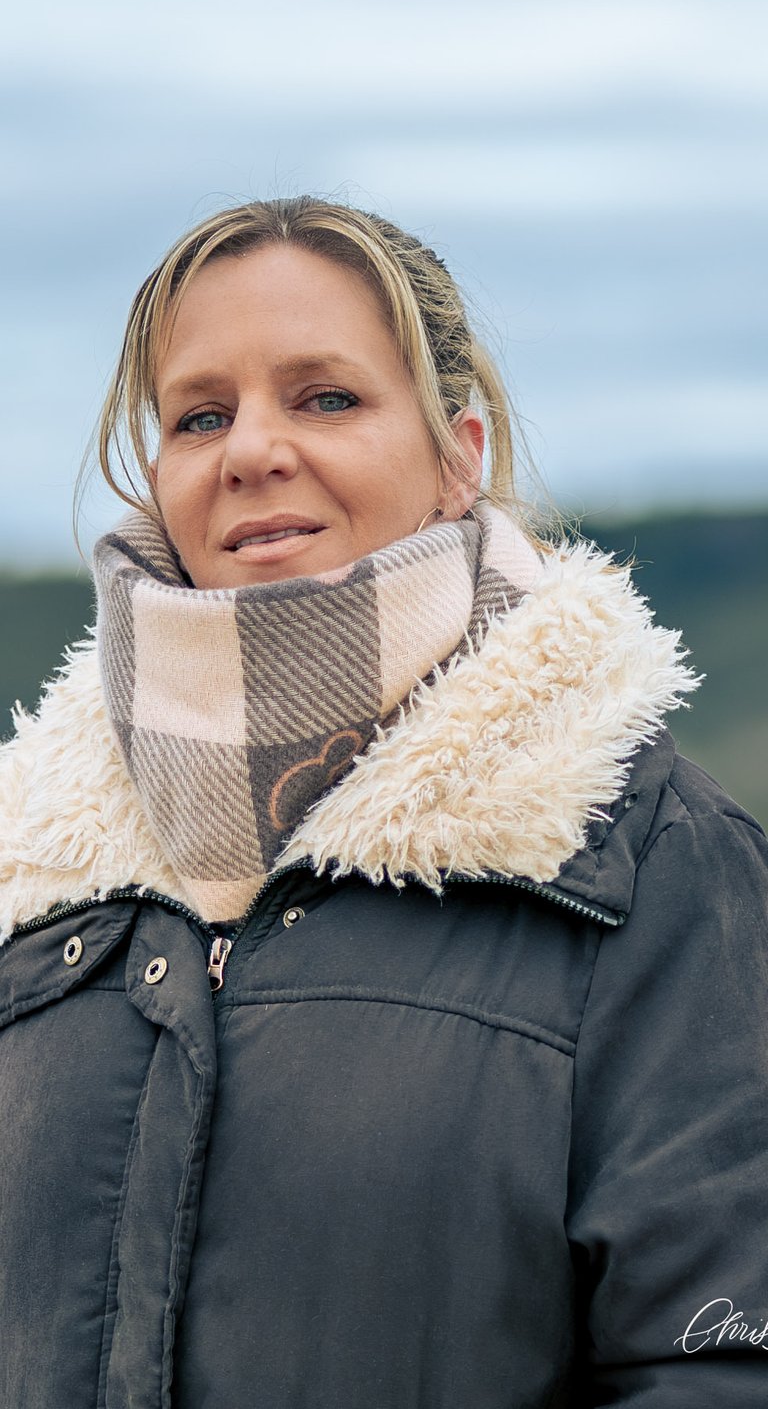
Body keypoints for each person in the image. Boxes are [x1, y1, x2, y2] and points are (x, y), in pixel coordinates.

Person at [1, 196, 767, 1409]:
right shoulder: (31, 866)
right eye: (202, 414)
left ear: (459, 455)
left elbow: (715, 1366)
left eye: (324, 398)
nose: (252, 449)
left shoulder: (649, 857)